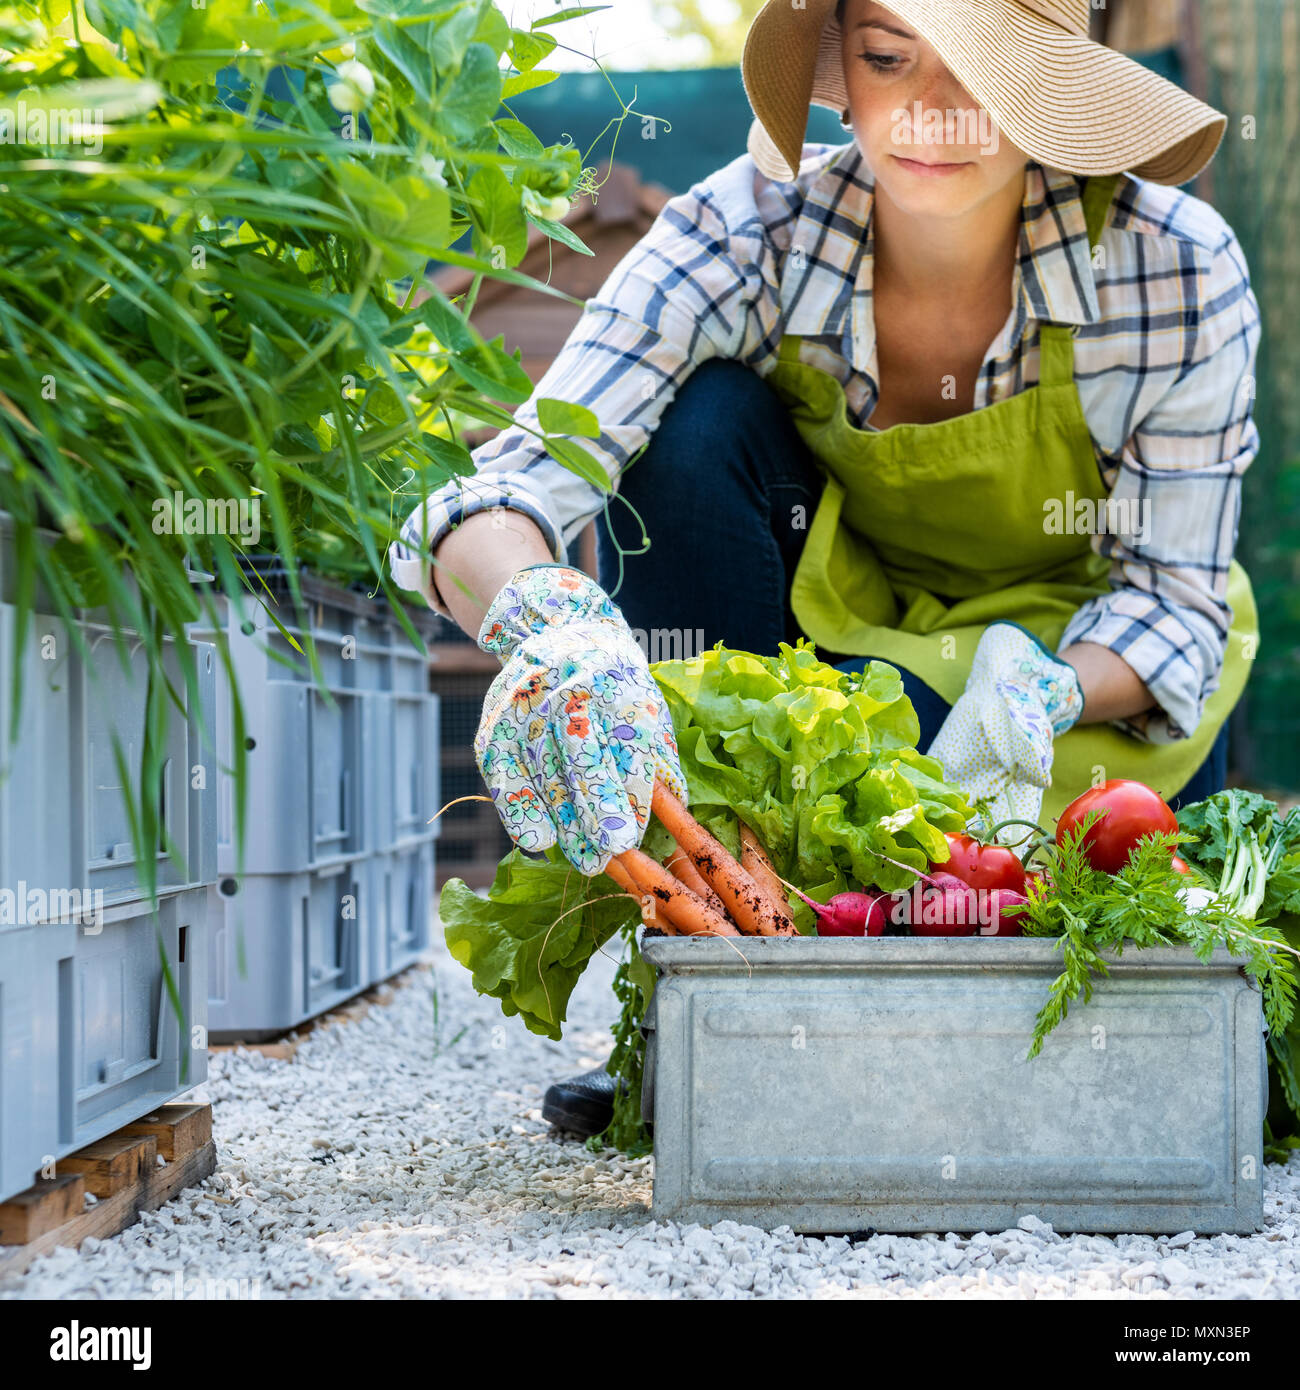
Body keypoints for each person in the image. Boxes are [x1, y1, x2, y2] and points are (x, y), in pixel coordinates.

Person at [390, 0, 1261, 1138]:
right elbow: (512, 480)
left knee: (1081, 944)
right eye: (889, 57)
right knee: (690, 426)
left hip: (1073, 687)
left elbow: (1176, 596)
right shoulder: (747, 227)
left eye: (981, 69)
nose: (928, 115)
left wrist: (1043, 683)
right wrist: (546, 620)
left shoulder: (1172, 268)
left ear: (1051, 79)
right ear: (839, 65)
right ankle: (725, 981)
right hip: (834, 650)